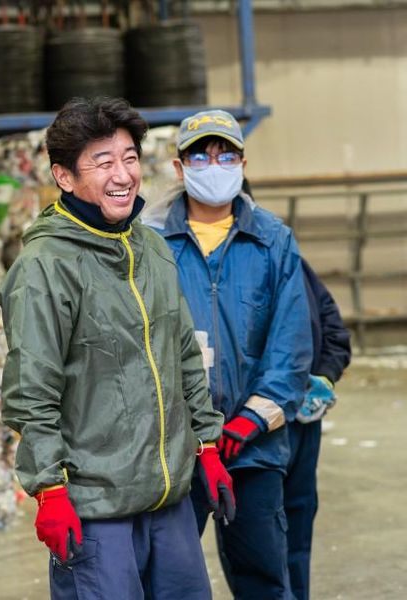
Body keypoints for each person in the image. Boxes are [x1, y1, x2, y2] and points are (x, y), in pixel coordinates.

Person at [0, 96, 235, 599]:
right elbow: (31, 390)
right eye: (103, 162)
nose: (122, 174)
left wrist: (207, 445)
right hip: (95, 508)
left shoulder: (150, 248)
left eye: (129, 158)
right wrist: (50, 489)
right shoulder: (45, 267)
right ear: (64, 177)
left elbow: (184, 357)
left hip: (167, 501)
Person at [146, 109, 313, 599]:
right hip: (175, 451)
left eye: (225, 154)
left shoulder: (272, 239)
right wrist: (188, 429)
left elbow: (290, 345)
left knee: (263, 577)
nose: (213, 164)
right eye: (200, 155)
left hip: (252, 449)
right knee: (170, 583)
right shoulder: (150, 241)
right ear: (179, 168)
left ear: (243, 163)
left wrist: (251, 421)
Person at [285, 259, 351, 599]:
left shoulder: (288, 257)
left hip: (301, 420)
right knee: (253, 535)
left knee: (298, 520)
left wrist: (324, 375)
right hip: (247, 424)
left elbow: (336, 332)